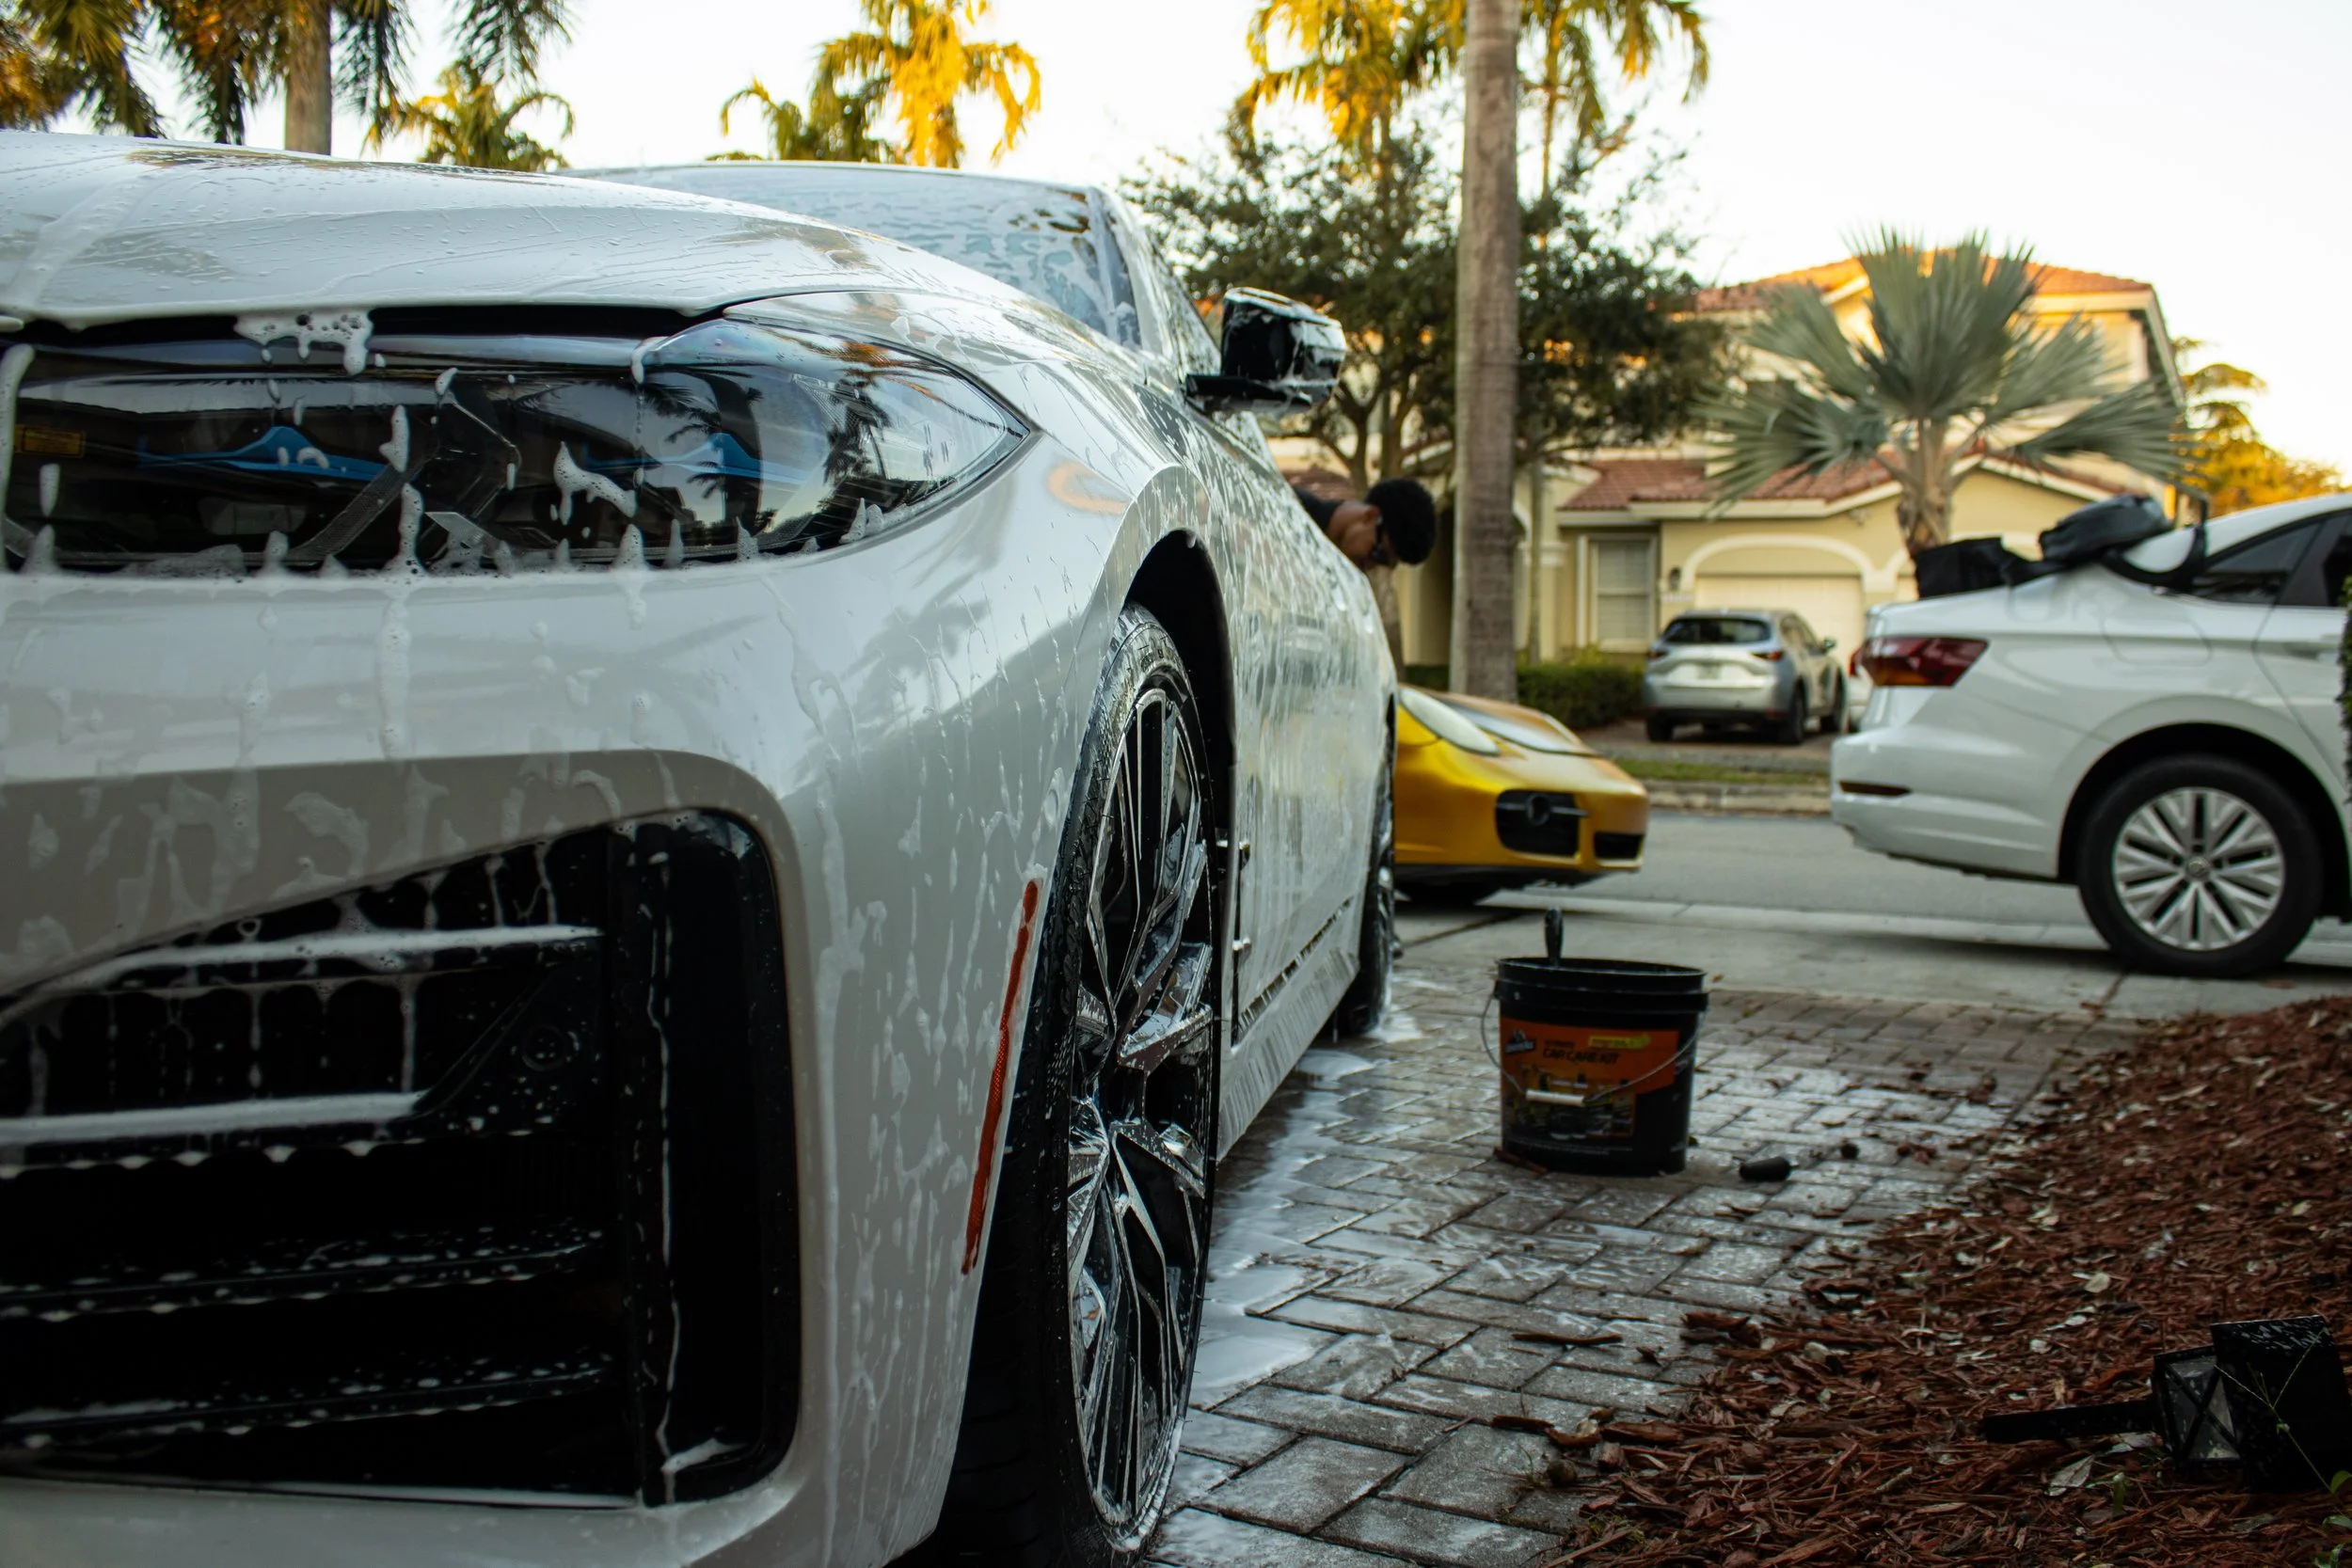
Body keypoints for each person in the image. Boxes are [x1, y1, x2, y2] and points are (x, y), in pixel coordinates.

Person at [1290, 477, 1438, 571]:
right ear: (1370, 516)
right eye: (1378, 553)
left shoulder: (1342, 585)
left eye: (1384, 564)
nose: (1369, 566)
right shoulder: (1289, 509)